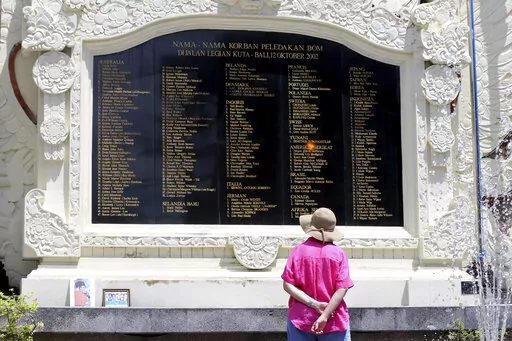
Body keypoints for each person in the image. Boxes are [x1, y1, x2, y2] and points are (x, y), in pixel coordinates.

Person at [282, 207, 353, 340]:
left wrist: (314, 304)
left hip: (301, 318)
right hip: (334, 320)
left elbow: (287, 285)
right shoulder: (338, 254)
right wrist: (325, 315)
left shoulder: (298, 251)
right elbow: (342, 288)